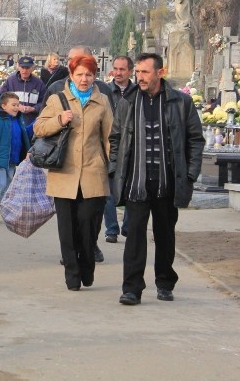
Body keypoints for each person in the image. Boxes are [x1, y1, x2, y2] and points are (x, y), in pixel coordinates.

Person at [109, 53, 204, 305]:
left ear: (160, 73)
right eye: (137, 72)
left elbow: (195, 140)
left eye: (144, 72)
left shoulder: (180, 103)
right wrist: (114, 170)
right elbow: (116, 138)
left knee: (165, 236)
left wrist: (191, 174)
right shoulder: (127, 102)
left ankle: (164, 282)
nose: (139, 77)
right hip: (137, 182)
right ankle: (131, 288)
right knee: (135, 237)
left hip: (167, 181)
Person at [34, 55, 113, 292]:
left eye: (88, 74)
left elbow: (110, 138)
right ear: (71, 75)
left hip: (93, 172)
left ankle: (87, 264)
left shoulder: (103, 102)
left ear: (94, 76)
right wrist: (59, 119)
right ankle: (72, 272)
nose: (84, 79)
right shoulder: (58, 99)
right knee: (67, 229)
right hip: (64, 173)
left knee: (89, 226)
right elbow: (39, 127)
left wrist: (114, 169)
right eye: (79, 74)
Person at [0, 92, 32, 224]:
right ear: (4, 106)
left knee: (6, 186)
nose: (16, 107)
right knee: (0, 183)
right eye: (13, 105)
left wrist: (37, 123)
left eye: (17, 104)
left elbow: (26, 133)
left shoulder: (18, 120)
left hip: (12, 159)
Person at [103, 56, 137, 243]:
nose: (118, 72)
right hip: (109, 145)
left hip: (131, 147)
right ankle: (111, 229)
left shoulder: (137, 92)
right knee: (108, 191)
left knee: (131, 189)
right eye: (115, 68)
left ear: (130, 71)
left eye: (122, 69)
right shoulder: (105, 91)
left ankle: (128, 226)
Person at [0, 56, 46, 125]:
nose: (24, 71)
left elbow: (44, 103)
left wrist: (33, 109)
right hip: (12, 122)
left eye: (27, 68)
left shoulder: (39, 83)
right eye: (22, 67)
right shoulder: (10, 81)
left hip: (31, 122)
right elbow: (1, 98)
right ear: (18, 67)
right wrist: (16, 106)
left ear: (32, 68)